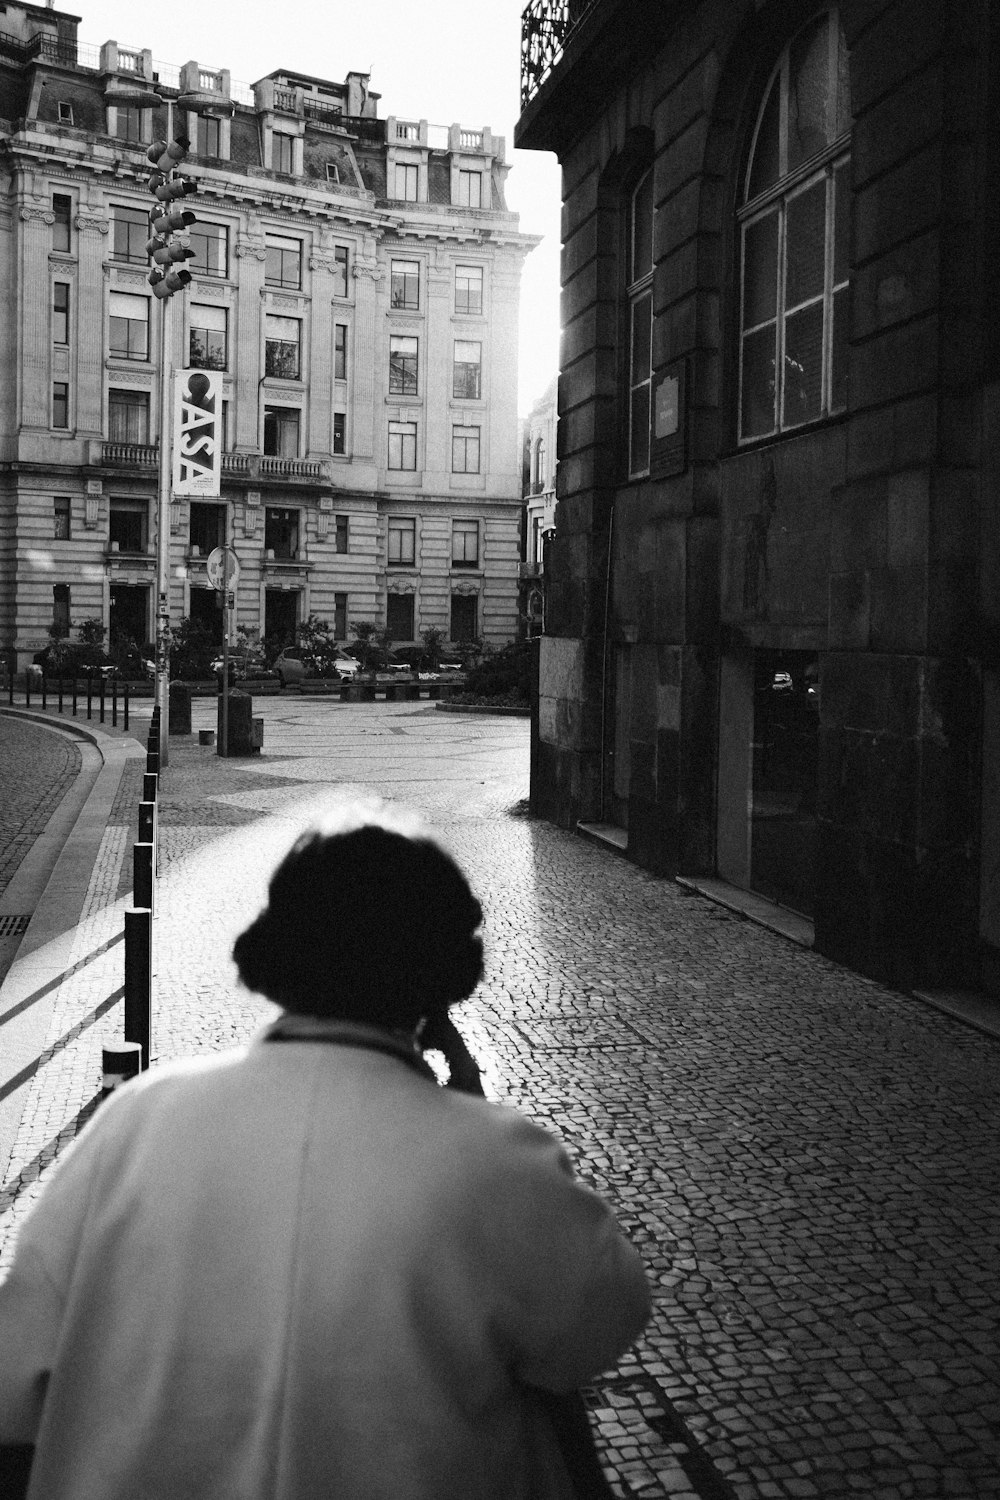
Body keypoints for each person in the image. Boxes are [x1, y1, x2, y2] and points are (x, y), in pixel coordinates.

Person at [0, 806, 650, 1500]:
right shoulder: (499, 1161)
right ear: (444, 981)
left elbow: (15, 1381)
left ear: (276, 953)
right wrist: (476, 1108)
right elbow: (596, 1327)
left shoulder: (135, 1118)